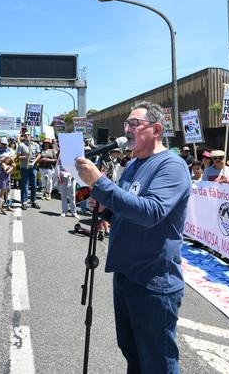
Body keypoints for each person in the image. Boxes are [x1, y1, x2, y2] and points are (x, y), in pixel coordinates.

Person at [74, 101, 191, 373]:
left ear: (157, 129)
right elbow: (128, 213)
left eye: (134, 124)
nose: (127, 129)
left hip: (153, 281)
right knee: (134, 356)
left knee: (158, 363)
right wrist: (105, 209)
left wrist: (101, 184)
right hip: (127, 275)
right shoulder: (133, 165)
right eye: (126, 124)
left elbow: (152, 212)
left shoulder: (171, 166)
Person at [17, 132, 41, 210]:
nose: (26, 136)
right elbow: (18, 157)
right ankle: (24, 202)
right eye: (25, 135)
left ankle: (33, 201)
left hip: (33, 167)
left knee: (34, 184)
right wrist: (25, 156)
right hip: (24, 167)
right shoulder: (21, 145)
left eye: (28, 135)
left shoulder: (35, 145)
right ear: (23, 136)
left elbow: (39, 155)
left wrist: (34, 161)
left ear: (30, 136)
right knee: (25, 185)